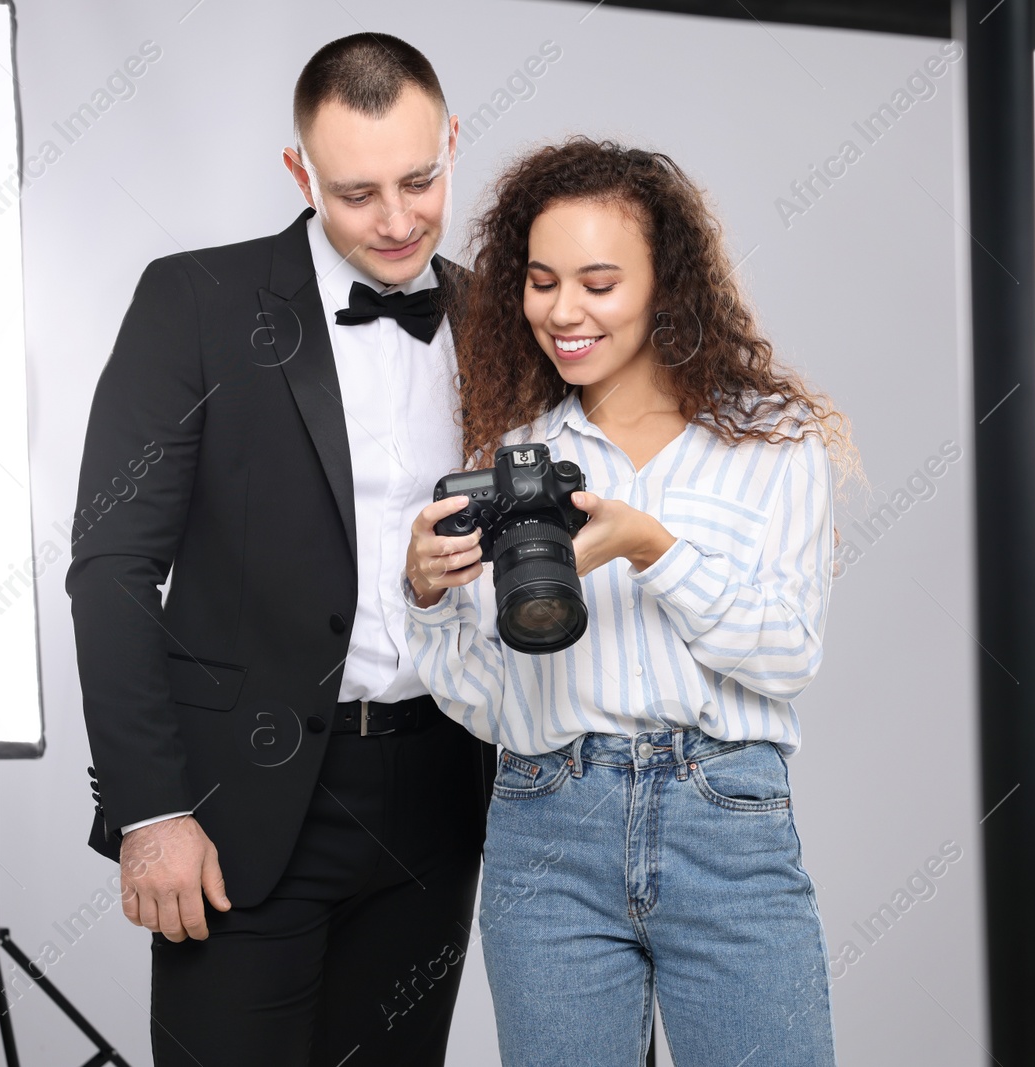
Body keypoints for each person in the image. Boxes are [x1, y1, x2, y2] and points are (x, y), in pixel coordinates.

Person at [66, 33, 495, 1067]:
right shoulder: (194, 302)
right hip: (236, 810)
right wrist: (152, 807)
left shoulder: (495, 317)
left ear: (450, 142)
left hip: (438, 794)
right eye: (355, 193)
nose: (395, 221)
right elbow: (112, 566)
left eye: (419, 180)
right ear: (300, 174)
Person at [402, 136, 864, 1066]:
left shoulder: (776, 444)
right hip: (546, 823)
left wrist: (652, 547)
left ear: (667, 286)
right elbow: (494, 702)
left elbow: (787, 655)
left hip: (725, 819)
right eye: (540, 281)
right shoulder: (515, 460)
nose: (562, 312)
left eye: (598, 283)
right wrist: (428, 596)